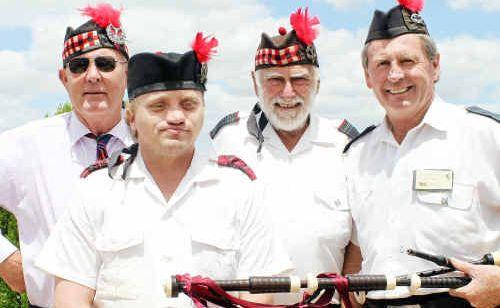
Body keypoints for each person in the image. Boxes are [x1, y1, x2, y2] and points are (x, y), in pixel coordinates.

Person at [36, 32, 291, 307]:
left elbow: (258, 298)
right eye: (158, 106)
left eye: (188, 104)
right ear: (131, 118)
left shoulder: (238, 190)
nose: (177, 117)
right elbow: (71, 297)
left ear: (203, 111)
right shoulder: (96, 190)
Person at [343, 0, 500, 307]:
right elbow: (357, 248)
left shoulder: (485, 136)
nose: (395, 76)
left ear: (435, 65)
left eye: (407, 61)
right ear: (367, 77)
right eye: (382, 64)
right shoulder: (356, 154)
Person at [210, 7, 359, 305]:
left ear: (317, 83)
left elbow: (358, 240)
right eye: (275, 80)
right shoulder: (228, 139)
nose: (288, 93)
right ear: (255, 84)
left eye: (300, 79)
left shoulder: (346, 144)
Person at [0, 4, 132, 307]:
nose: (92, 75)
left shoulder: (155, 144)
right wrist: (5, 259)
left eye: (106, 64)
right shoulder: (26, 144)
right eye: (78, 66)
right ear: (64, 78)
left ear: (128, 73)